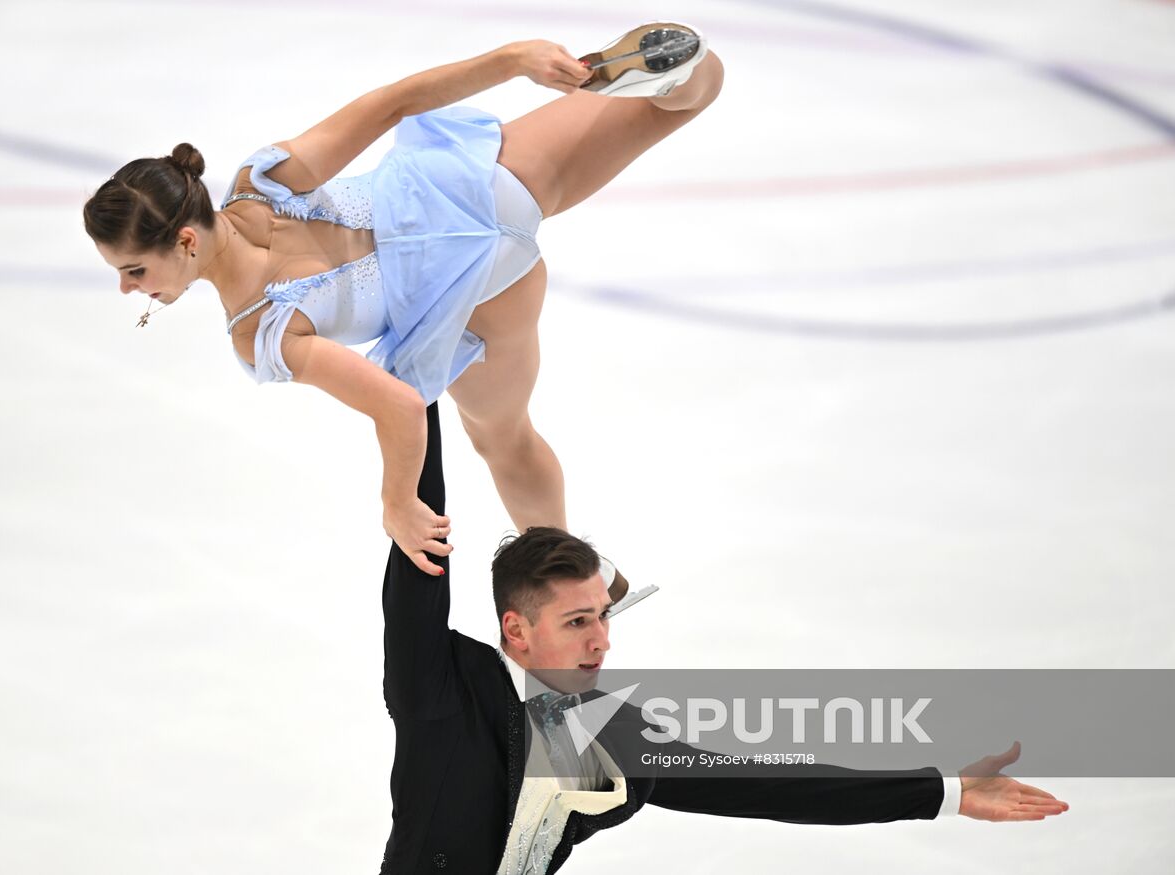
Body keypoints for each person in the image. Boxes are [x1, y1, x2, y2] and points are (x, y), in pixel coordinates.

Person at [82, 24, 722, 574]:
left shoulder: (261, 331)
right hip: (478, 182)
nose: (128, 287)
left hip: (479, 286)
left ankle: (575, 578)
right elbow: (393, 104)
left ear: (186, 242)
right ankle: (673, 79)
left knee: (504, 439)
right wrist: (513, 60)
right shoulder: (263, 181)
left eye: (134, 268)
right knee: (702, 85)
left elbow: (400, 404)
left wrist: (397, 502)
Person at [379, 401, 1069, 874]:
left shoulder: (613, 740)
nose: (602, 643)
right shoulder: (443, 685)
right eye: (578, 621)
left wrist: (941, 791)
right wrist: (421, 382)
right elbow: (424, 533)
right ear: (516, 630)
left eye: (603, 617)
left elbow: (767, 782)